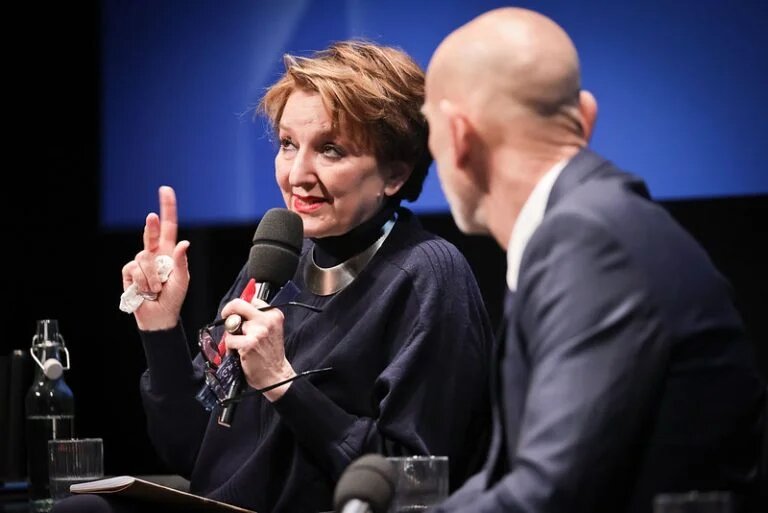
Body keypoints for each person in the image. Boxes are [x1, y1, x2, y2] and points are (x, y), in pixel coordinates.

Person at [54, 41, 494, 513]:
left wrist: (284, 384)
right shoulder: (277, 259)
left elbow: (416, 482)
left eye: (330, 149)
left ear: (395, 174)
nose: (297, 174)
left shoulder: (428, 274)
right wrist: (160, 329)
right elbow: (190, 451)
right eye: (288, 144)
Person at [422, 7, 766, 513]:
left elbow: (550, 495)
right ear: (585, 116)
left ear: (457, 134)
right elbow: (518, 476)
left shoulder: (588, 241)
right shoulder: (595, 224)